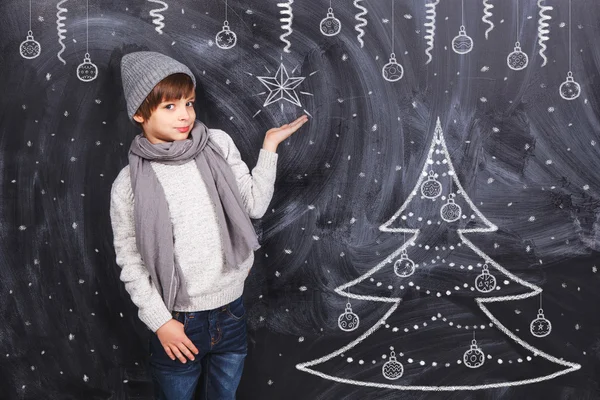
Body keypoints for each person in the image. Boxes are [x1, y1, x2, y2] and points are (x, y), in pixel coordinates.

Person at [110, 51, 308, 399]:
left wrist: (269, 147)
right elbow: (131, 259)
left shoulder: (216, 144)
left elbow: (254, 206)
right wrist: (161, 322)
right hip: (178, 321)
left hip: (231, 311)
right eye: (169, 106)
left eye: (188, 102)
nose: (185, 114)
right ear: (140, 113)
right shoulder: (128, 184)